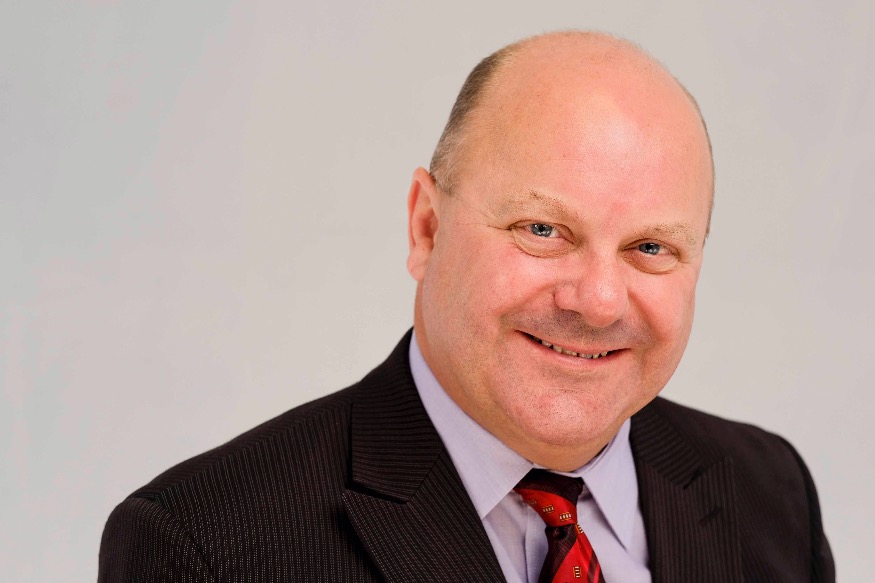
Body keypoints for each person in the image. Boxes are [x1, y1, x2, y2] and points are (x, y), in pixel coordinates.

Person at [98, 31, 834, 582]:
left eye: (651, 247)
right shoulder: (206, 545)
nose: (598, 301)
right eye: (541, 229)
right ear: (426, 227)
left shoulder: (769, 494)